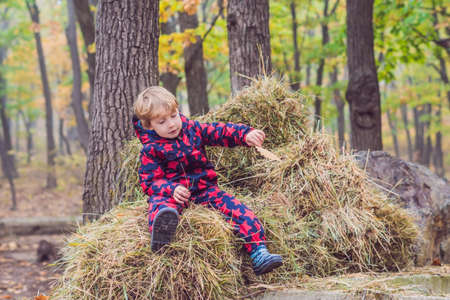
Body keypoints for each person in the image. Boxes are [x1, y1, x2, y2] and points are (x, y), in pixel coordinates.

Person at [133, 86, 282, 275]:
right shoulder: (151, 149)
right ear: (149, 125)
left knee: (239, 211)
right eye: (162, 121)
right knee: (160, 205)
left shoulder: (192, 129)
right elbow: (150, 181)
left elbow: (219, 131)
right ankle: (161, 233)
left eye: (174, 116)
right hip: (175, 195)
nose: (171, 124)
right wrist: (171, 189)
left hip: (204, 189)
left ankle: (259, 252)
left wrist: (244, 134)